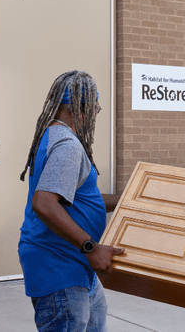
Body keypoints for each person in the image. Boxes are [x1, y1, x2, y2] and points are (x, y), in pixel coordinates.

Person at [18, 70, 123, 332]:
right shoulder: (68, 146)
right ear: (82, 109)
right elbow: (44, 203)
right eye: (95, 109)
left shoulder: (52, 135)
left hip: (75, 265)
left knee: (97, 320)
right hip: (61, 267)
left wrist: (126, 200)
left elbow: (76, 197)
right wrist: (90, 247)